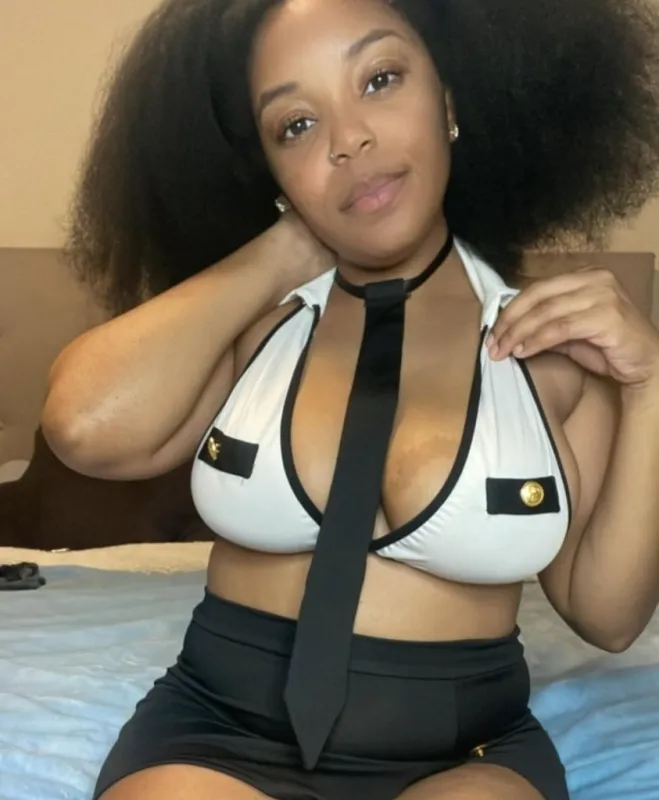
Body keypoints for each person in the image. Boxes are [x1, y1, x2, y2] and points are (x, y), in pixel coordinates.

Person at [42, 0, 659, 798]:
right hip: (217, 734)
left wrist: (648, 384)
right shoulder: (253, 327)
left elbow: (608, 619)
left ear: (449, 102)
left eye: (380, 79)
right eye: (295, 126)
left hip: (462, 749)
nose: (348, 139)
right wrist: (289, 243)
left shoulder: (553, 353)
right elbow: (83, 428)